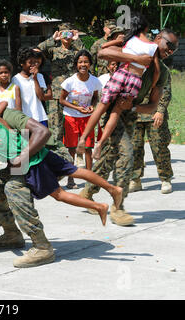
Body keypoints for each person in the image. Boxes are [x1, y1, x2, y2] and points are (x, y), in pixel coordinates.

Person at [0, 86, 122, 268]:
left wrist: (19, 157)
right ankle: (12, 235)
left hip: (39, 158)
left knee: (19, 188)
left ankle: (42, 246)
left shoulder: (5, 119)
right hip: (31, 159)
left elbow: (42, 133)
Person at [77, 28, 178, 226]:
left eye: (175, 48)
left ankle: (88, 192)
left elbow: (152, 106)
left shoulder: (162, 72)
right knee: (126, 156)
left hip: (129, 115)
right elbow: (103, 53)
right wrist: (136, 59)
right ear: (158, 39)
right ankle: (118, 207)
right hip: (113, 111)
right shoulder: (138, 48)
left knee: (108, 156)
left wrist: (133, 105)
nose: (171, 50)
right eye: (169, 45)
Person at [77, 13, 161, 161]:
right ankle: (100, 144)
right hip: (135, 80)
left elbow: (103, 46)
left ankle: (83, 138)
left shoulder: (129, 39)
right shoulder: (153, 46)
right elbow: (157, 71)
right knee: (116, 112)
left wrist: (118, 40)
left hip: (121, 73)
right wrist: (153, 86)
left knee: (101, 107)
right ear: (146, 28)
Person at [59, 50, 101, 189]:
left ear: (90, 64)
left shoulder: (94, 81)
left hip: (87, 118)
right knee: (71, 149)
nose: (83, 64)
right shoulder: (70, 82)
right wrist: (77, 109)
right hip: (71, 117)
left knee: (88, 147)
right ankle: (71, 179)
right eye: (80, 62)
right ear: (76, 64)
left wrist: (91, 106)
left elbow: (95, 97)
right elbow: (62, 100)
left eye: (86, 62)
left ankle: (90, 179)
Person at [37, 22, 84, 142]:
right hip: (57, 92)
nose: (67, 37)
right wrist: (52, 39)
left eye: (69, 33)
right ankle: (55, 149)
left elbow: (87, 57)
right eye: (64, 34)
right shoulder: (53, 50)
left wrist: (77, 40)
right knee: (55, 125)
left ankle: (74, 150)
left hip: (74, 92)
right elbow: (37, 50)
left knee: (74, 124)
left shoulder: (76, 51)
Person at [130, 71, 173, 194]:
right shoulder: (133, 67)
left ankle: (165, 179)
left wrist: (160, 110)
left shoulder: (160, 69)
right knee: (134, 148)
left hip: (154, 115)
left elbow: (166, 91)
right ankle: (135, 179)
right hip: (134, 114)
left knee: (159, 147)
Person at [12, 47, 50, 127]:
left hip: (39, 117)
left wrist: (35, 78)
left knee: (42, 137)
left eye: (35, 63)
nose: (33, 65)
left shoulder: (39, 76)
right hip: (24, 119)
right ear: (22, 63)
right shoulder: (15, 79)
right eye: (30, 62)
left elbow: (41, 97)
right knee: (25, 139)